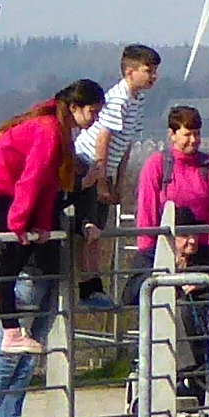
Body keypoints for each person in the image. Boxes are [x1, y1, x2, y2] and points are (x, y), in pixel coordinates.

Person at [0, 78, 104, 417]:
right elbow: (31, 181)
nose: (93, 119)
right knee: (8, 276)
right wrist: (20, 226)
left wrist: (42, 223)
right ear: (77, 106)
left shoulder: (56, 131)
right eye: (92, 111)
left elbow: (44, 187)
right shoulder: (48, 132)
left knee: (29, 343)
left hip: (12, 198)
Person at [133, 105, 209, 416]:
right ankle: (182, 378)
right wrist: (154, 261)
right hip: (164, 252)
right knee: (175, 310)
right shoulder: (157, 166)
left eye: (197, 134)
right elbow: (147, 215)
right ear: (172, 134)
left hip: (201, 252)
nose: (194, 141)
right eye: (187, 134)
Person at [71, 45, 160, 311]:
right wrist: (100, 181)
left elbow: (126, 144)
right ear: (131, 72)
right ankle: (88, 287)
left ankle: (95, 286)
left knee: (98, 232)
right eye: (149, 71)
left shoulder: (137, 101)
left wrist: (118, 182)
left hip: (104, 172)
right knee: (88, 231)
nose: (154, 76)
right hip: (87, 166)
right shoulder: (118, 99)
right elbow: (103, 139)